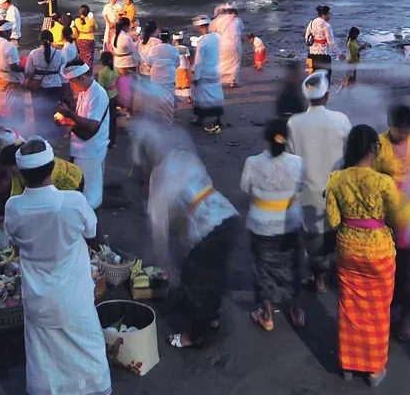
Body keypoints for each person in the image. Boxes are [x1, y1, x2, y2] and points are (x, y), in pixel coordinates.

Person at [3, 137, 112, 395]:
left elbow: (14, 242)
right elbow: (94, 234)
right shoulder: (73, 202)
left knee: (44, 358)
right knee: (88, 350)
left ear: (21, 173)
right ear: (52, 167)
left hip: (38, 299)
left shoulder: (14, 207)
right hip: (74, 298)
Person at [137, 134, 239, 348]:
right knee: (215, 271)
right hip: (228, 215)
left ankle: (193, 335)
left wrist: (167, 267)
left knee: (194, 280)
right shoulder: (183, 157)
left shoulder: (159, 178)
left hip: (209, 227)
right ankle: (213, 317)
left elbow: (159, 230)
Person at [325, 124, 399, 388]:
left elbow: (333, 220)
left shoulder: (336, 179)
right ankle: (374, 370)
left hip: (348, 249)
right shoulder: (384, 182)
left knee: (350, 308)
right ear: (373, 149)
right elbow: (395, 218)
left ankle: (348, 364)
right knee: (378, 311)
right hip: (379, 252)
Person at [287, 69, 352, 293]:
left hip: (307, 192)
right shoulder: (341, 120)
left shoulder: (294, 123)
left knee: (313, 237)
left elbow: (291, 159)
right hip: (336, 190)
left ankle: (319, 279)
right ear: (327, 95)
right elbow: (350, 156)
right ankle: (333, 274)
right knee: (334, 232)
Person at [241, 119, 306, 331]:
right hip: (290, 223)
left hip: (261, 226)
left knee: (263, 270)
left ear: (266, 139)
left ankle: (267, 316)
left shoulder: (252, 162)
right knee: (292, 266)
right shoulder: (298, 162)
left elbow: (245, 188)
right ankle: (297, 311)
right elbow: (300, 188)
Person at [372, 104, 410, 343]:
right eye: (395, 128)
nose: (399, 132)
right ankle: (387, 310)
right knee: (385, 268)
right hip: (385, 219)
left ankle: (405, 317)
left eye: (404, 129)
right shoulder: (380, 145)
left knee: (408, 271)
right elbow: (372, 180)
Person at [57, 60, 109, 212]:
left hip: (91, 149)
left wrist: (69, 114)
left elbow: (92, 125)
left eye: (72, 81)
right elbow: (81, 118)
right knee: (89, 185)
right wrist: (66, 120)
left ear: (82, 78)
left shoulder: (98, 94)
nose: (71, 85)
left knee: (88, 189)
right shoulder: (84, 91)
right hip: (84, 147)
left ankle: (89, 218)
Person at [0, 141, 83, 198]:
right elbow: (16, 194)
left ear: (18, 164)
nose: (8, 172)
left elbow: (42, 198)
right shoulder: (22, 170)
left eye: (9, 168)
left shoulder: (45, 173)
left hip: (73, 181)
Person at [25, 30, 65, 140]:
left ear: (40, 40)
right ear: (52, 40)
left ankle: (41, 137)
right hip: (56, 86)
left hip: (38, 87)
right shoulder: (59, 54)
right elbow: (63, 72)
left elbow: (28, 71)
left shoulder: (33, 53)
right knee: (55, 111)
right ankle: (55, 136)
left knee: (39, 113)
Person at [0, 20, 25, 128]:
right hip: (11, 79)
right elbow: (13, 67)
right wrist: (27, 69)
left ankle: (4, 127)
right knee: (13, 106)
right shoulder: (10, 46)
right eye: (10, 32)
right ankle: (13, 128)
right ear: (5, 32)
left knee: (2, 103)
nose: (11, 34)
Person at [191, 15, 224, 134]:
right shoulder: (217, 37)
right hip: (216, 71)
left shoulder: (203, 41)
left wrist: (196, 76)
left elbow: (199, 62)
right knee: (217, 95)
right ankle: (218, 119)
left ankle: (201, 119)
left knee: (201, 97)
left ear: (200, 27)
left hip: (205, 73)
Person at [146, 28, 179, 125]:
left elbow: (149, 63)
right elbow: (177, 64)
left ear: (160, 38)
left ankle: (155, 123)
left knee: (155, 101)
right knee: (168, 103)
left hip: (155, 79)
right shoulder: (174, 49)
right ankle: (167, 123)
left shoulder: (153, 49)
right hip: (169, 79)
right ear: (169, 38)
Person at [305, 5, 345, 80]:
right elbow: (331, 42)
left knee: (315, 74)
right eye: (328, 14)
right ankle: (325, 87)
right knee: (326, 75)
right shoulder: (327, 26)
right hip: (324, 54)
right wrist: (339, 54)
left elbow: (307, 36)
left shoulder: (312, 22)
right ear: (323, 15)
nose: (329, 16)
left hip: (313, 52)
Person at [209, 3, 243, 87]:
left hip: (222, 44)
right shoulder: (238, 20)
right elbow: (241, 30)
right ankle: (232, 82)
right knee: (235, 63)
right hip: (235, 44)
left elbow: (210, 30)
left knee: (220, 62)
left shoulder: (218, 20)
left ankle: (218, 79)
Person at [111, 17, 137, 116]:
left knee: (119, 87)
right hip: (127, 64)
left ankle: (119, 107)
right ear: (126, 26)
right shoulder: (126, 38)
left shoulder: (114, 36)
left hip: (117, 63)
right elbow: (134, 50)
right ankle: (128, 109)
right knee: (130, 87)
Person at [97, 51, 118, 149]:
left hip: (107, 97)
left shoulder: (102, 73)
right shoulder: (115, 70)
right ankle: (113, 141)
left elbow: (101, 87)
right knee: (113, 120)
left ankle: (105, 140)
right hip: (115, 95)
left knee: (106, 120)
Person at [73, 4, 96, 69]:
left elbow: (77, 29)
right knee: (89, 58)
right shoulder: (91, 20)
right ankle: (88, 72)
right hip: (90, 40)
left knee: (82, 57)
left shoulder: (77, 20)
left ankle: (82, 71)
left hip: (80, 39)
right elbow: (96, 28)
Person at [173, 31, 192, 104]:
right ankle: (188, 99)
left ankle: (177, 98)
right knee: (185, 83)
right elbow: (188, 59)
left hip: (176, 68)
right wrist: (190, 67)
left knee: (177, 83)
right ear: (181, 40)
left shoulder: (172, 49)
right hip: (184, 68)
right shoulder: (184, 48)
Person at [60, 26, 77, 98]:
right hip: (72, 74)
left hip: (65, 78)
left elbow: (64, 65)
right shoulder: (73, 45)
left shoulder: (65, 49)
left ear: (62, 35)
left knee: (66, 98)